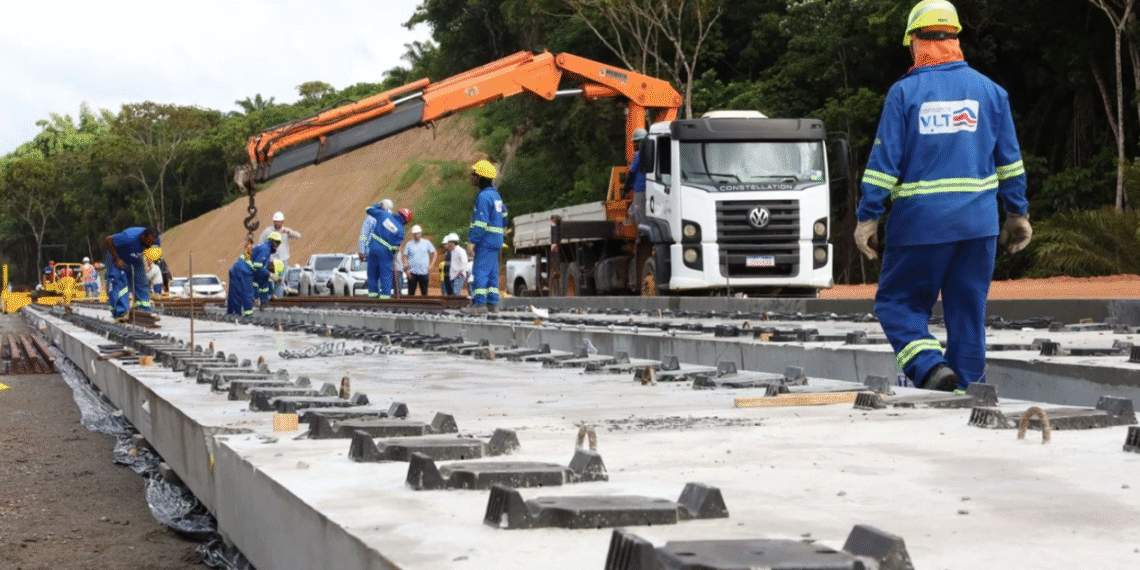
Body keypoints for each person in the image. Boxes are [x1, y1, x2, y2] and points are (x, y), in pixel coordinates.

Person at [853, 0, 1030, 393]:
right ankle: (970, 392)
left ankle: (930, 367)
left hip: (921, 225)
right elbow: (1011, 163)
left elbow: (883, 164)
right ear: (955, 38)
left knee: (896, 303)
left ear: (916, 41)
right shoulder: (991, 92)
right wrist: (1017, 213)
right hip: (979, 228)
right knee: (968, 313)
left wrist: (868, 216)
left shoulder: (905, 93)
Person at [465, 160, 507, 314]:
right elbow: (505, 215)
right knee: (491, 273)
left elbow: (480, 222)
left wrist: (472, 240)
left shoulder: (483, 197)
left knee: (480, 271)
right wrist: (500, 228)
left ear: (481, 177)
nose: (472, 177)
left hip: (486, 239)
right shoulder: (496, 196)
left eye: (474, 174)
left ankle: (479, 305)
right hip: (496, 239)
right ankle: (492, 304)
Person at [105, 227, 162, 320]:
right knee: (118, 282)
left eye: (152, 243)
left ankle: (143, 309)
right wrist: (117, 259)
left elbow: (152, 252)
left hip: (135, 257)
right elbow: (109, 240)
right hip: (118, 255)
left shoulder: (155, 240)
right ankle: (121, 311)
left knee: (142, 282)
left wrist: (149, 261)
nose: (150, 245)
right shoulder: (129, 237)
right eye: (149, 242)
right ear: (143, 236)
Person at [357, 204, 412, 299]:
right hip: (386, 253)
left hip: (373, 247)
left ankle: (373, 294)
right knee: (385, 274)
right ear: (406, 222)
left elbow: (368, 209)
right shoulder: (401, 231)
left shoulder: (384, 214)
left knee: (372, 272)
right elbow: (395, 248)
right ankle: (385, 296)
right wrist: (392, 255)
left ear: (398, 212)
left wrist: (380, 206)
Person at [227, 234, 278, 317]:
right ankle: (248, 316)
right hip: (244, 269)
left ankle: (232, 315)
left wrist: (269, 294)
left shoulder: (262, 248)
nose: (277, 246)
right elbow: (258, 266)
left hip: (237, 267)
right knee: (247, 293)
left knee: (235, 294)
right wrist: (270, 275)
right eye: (277, 243)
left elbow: (263, 282)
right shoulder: (266, 250)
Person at [258, 211, 302, 297]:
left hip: (283, 260)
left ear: (282, 222)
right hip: (271, 261)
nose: (277, 224)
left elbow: (298, 236)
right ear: (273, 221)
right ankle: (269, 299)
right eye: (276, 222)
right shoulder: (268, 231)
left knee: (280, 282)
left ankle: (278, 299)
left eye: (279, 222)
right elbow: (260, 243)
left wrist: (289, 232)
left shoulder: (285, 231)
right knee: (270, 280)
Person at [402, 225, 436, 296]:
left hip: (424, 272)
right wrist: (406, 269)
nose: (416, 235)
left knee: (424, 292)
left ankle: (424, 303)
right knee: (411, 293)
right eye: (415, 233)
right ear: (412, 234)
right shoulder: (409, 244)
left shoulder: (427, 243)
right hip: (412, 273)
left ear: (420, 233)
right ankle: (411, 304)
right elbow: (405, 256)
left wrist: (431, 265)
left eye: (418, 233)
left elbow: (434, 253)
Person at [624, 128, 648, 226]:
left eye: (635, 142)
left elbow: (632, 173)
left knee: (640, 217)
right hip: (650, 189)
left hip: (640, 190)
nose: (634, 145)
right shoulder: (653, 153)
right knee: (633, 211)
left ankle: (642, 234)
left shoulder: (638, 154)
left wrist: (626, 188)